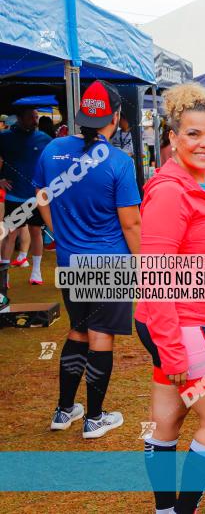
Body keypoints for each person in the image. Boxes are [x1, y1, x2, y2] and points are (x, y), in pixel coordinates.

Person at [135, 83, 205, 514]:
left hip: (196, 321)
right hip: (180, 323)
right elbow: (154, 277)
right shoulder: (170, 191)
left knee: (168, 420)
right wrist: (173, 350)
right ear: (173, 138)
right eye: (194, 134)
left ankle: (165, 510)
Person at [37, 80, 141, 438]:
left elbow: (42, 198)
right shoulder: (118, 161)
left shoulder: (52, 149)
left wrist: (62, 234)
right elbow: (131, 222)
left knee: (78, 329)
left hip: (70, 258)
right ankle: (94, 418)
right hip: (109, 260)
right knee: (101, 336)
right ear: (114, 116)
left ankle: (64, 410)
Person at [0, 105, 52, 284]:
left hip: (36, 196)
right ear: (20, 118)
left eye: (36, 117)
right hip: (14, 195)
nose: (35, 120)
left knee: (35, 231)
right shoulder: (5, 137)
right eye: (31, 117)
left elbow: (51, 163)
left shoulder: (44, 138)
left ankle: (36, 272)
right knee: (10, 234)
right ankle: (3, 277)